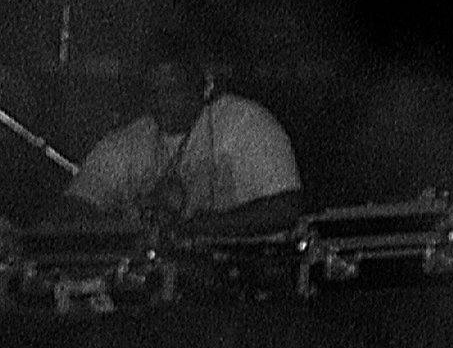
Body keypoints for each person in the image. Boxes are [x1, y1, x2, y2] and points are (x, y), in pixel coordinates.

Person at [66, 45, 302, 232]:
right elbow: (73, 207)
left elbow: (285, 208)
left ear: (204, 86)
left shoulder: (245, 123)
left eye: (173, 90)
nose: (162, 102)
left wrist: (203, 228)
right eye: (154, 92)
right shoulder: (128, 141)